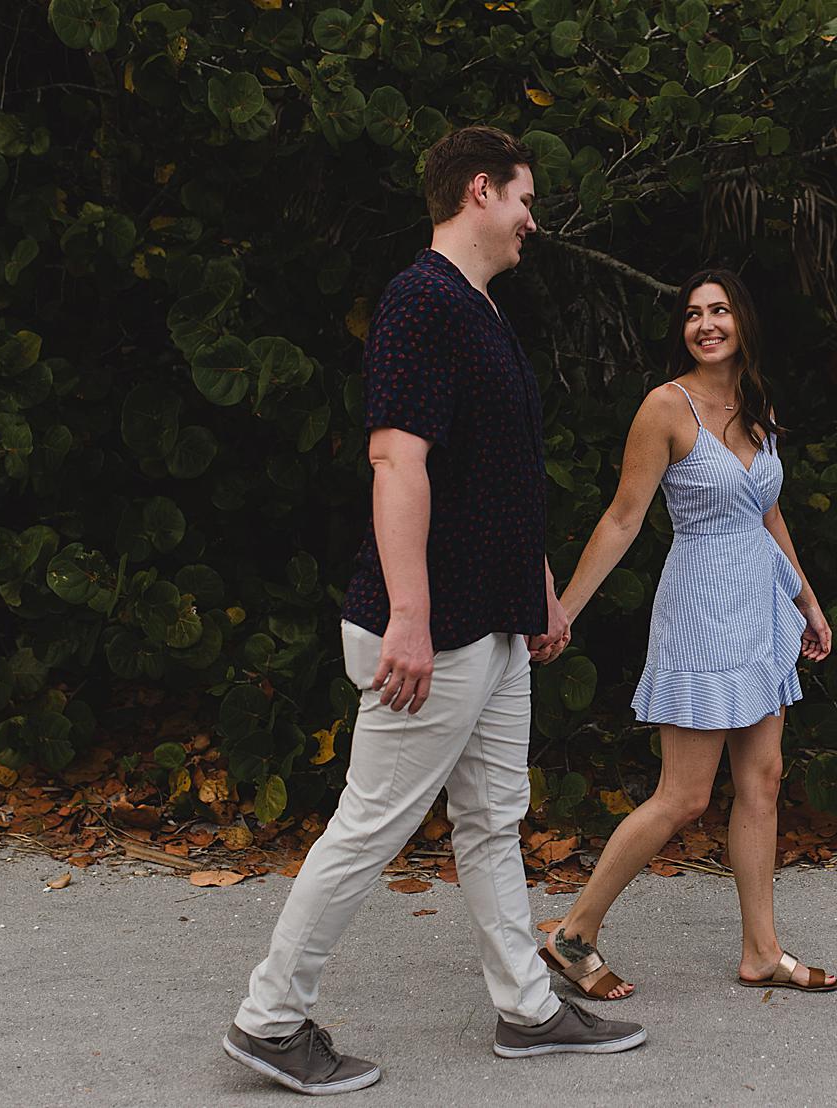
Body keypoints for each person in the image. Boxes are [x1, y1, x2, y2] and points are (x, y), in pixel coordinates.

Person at [222, 125, 645, 1098]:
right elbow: (396, 460)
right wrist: (409, 614)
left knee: (495, 820)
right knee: (369, 825)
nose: (535, 221)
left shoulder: (480, 311)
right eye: (527, 200)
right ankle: (270, 1019)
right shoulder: (421, 302)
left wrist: (534, 584)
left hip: (488, 621)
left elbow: (492, 474)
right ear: (482, 192)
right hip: (433, 629)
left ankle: (529, 1010)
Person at [537, 270, 837, 1002]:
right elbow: (621, 518)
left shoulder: (758, 405)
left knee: (762, 780)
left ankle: (762, 951)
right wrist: (564, 610)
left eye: (720, 310)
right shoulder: (664, 409)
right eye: (694, 314)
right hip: (701, 609)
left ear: (742, 322)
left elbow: (769, 515)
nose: (706, 323)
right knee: (684, 796)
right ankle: (572, 934)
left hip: (760, 607)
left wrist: (808, 602)